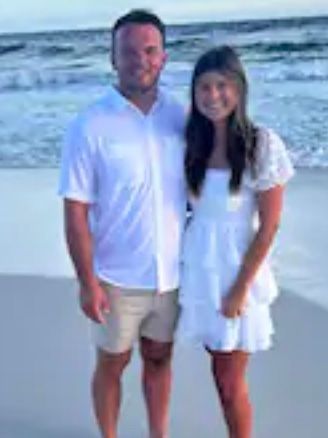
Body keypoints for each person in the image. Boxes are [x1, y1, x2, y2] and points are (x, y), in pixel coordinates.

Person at [58, 9, 186, 438]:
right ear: (113, 59)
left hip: (171, 275)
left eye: (150, 50)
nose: (140, 60)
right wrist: (86, 281)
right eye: (128, 52)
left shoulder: (183, 117)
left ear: (164, 57)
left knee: (159, 359)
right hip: (114, 278)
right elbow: (75, 210)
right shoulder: (89, 125)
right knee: (112, 363)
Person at [178, 46, 294, 438]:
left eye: (222, 86)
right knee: (219, 372)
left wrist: (239, 289)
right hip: (200, 267)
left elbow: (270, 225)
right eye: (204, 88)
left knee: (230, 381)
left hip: (237, 271)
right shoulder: (191, 144)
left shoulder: (261, 143)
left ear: (239, 89)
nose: (213, 96)